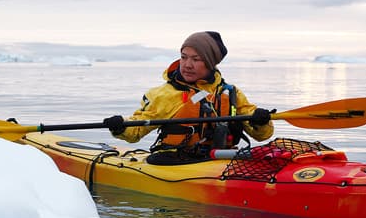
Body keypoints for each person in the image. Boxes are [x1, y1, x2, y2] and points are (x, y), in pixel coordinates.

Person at [104, 31, 273, 161]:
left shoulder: (230, 93)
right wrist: (120, 127)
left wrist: (261, 121)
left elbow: (262, 135)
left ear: (210, 63)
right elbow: (136, 132)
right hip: (174, 160)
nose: (187, 65)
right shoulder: (165, 94)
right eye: (184, 57)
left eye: (196, 59)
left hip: (219, 158)